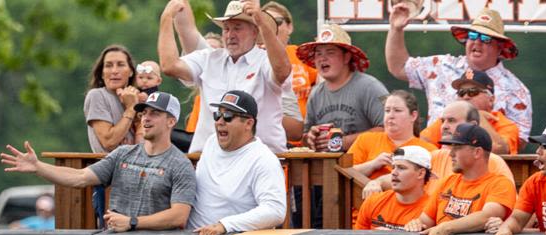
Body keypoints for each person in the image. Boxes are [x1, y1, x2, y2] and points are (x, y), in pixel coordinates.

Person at [1, 92, 196, 232]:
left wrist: (133, 222)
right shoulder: (123, 154)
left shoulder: (181, 164)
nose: (146, 118)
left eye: (154, 113)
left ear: (171, 121)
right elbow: (80, 177)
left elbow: (178, 216)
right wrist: (38, 167)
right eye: (144, 113)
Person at [159, 0, 291, 153]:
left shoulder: (265, 60)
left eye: (237, 28)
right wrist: (166, 18)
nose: (230, 35)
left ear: (255, 32)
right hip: (208, 159)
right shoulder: (208, 58)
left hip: (258, 159)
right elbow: (169, 66)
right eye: (226, 29)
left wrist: (262, 22)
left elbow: (282, 71)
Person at [386, 6, 532, 138]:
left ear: (500, 48)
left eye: (485, 38)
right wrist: (395, 29)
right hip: (436, 155)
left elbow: (519, 140)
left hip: (484, 159)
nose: (477, 42)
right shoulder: (440, 65)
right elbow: (399, 67)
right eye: (473, 36)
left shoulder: (516, 89)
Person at [188, 90, 286, 235]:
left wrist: (224, 225)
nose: (220, 121)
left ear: (248, 123)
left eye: (228, 116)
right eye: (217, 115)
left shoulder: (263, 159)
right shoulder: (211, 142)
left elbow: (275, 211)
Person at [362, 101, 514, 199]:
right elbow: (402, 177)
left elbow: (508, 203)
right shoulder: (434, 156)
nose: (444, 126)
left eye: (452, 121)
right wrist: (376, 183)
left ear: (473, 125)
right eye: (443, 121)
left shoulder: (492, 162)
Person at [421, 123, 516, 235]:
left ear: (477, 152)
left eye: (457, 148)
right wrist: (415, 224)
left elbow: (486, 217)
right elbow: (425, 222)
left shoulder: (500, 183)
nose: (451, 154)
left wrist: (446, 228)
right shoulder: (447, 182)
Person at [297, 22, 387, 151]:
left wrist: (343, 142)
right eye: (318, 54)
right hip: (326, 169)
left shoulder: (369, 87)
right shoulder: (315, 94)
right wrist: (310, 138)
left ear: (347, 57)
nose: (323, 59)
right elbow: (305, 139)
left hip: (364, 168)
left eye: (330, 52)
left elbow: (388, 130)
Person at [85, 44, 139, 226]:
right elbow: (108, 141)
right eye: (108, 66)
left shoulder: (137, 98)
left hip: (139, 177)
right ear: (101, 73)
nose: (114, 71)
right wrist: (131, 109)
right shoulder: (97, 96)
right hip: (110, 180)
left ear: (131, 71)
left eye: (120, 65)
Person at [419, 70, 519, 154]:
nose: (466, 97)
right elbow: (422, 142)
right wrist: (442, 156)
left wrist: (478, 116)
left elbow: (500, 150)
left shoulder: (506, 125)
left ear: (491, 100)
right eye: (461, 93)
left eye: (473, 92)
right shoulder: (448, 120)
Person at [347, 90, 436, 179]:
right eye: (387, 110)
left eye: (397, 110)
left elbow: (434, 183)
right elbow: (344, 172)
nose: (390, 115)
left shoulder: (428, 150)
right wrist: (373, 164)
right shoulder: (366, 139)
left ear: (413, 116)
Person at [261, 2, 315, 145]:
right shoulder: (258, 56)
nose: (272, 26)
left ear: (289, 27)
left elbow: (324, 84)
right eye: (266, 22)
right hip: (272, 137)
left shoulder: (301, 54)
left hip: (304, 139)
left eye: (277, 22)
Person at [353, 146, 437, 231]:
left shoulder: (431, 209)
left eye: (401, 168)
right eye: (393, 167)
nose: (393, 173)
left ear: (421, 174)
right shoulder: (373, 201)